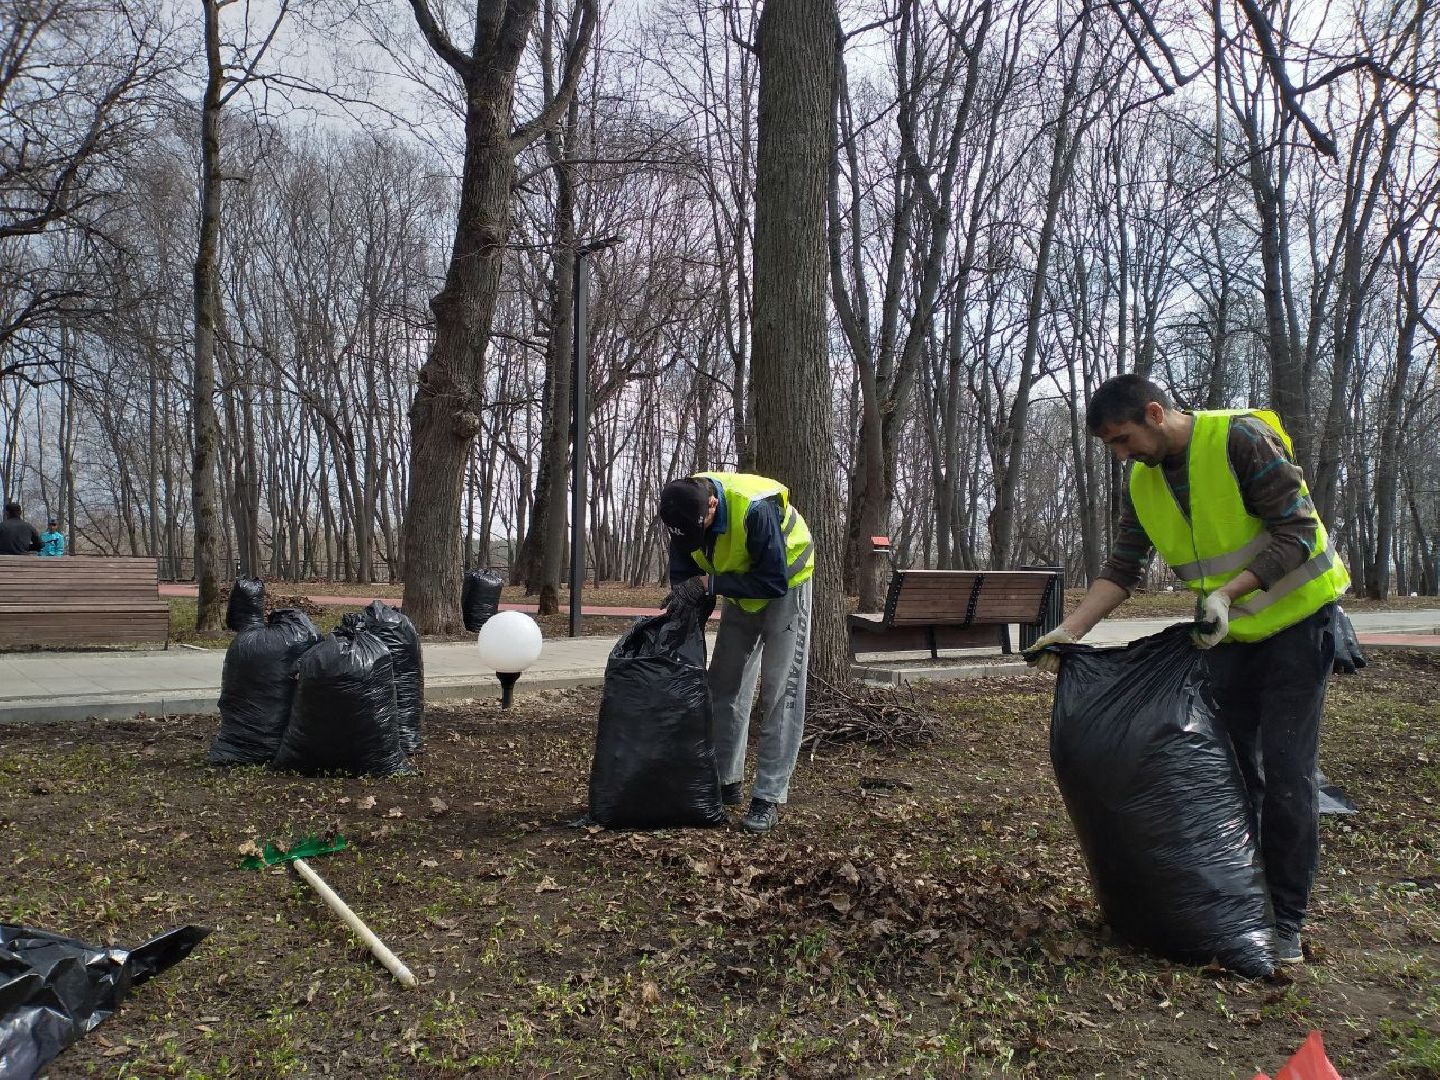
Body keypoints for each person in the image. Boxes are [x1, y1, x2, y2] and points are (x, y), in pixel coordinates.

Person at [1025, 375, 1350, 965]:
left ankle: (1288, 919)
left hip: (1299, 627)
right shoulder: (1143, 481)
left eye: (1124, 440)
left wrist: (1228, 593)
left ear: (1155, 412)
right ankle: (1245, 905)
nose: (1122, 455)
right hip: (1228, 637)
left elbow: (1298, 532)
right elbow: (1122, 569)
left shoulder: (1240, 441)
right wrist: (1068, 632)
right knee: (1233, 770)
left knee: (1287, 772)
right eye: (1112, 447)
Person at [659, 472, 815, 834]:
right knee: (723, 685)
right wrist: (683, 622)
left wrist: (710, 584)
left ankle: (769, 796)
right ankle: (725, 781)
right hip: (742, 589)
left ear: (712, 505)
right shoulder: (682, 512)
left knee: (780, 692)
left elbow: (773, 580)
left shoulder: (754, 509)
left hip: (787, 585)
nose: (697, 540)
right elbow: (686, 577)